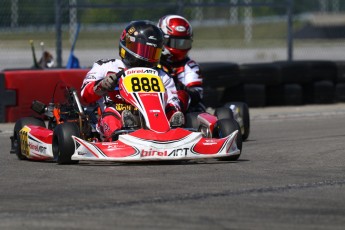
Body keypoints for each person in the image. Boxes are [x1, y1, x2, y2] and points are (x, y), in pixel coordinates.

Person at [81, 20, 184, 141]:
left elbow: (173, 100)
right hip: (117, 112)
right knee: (112, 113)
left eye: (152, 52)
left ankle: (175, 132)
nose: (147, 56)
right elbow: (84, 95)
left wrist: (173, 109)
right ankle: (119, 136)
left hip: (154, 116)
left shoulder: (162, 75)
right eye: (143, 50)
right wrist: (102, 85)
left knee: (171, 110)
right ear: (127, 45)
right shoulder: (106, 66)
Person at [157, 15, 204, 113]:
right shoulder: (151, 63)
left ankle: (175, 117)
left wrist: (177, 85)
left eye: (184, 43)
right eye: (176, 43)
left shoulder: (190, 66)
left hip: (184, 109)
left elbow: (197, 95)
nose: (180, 47)